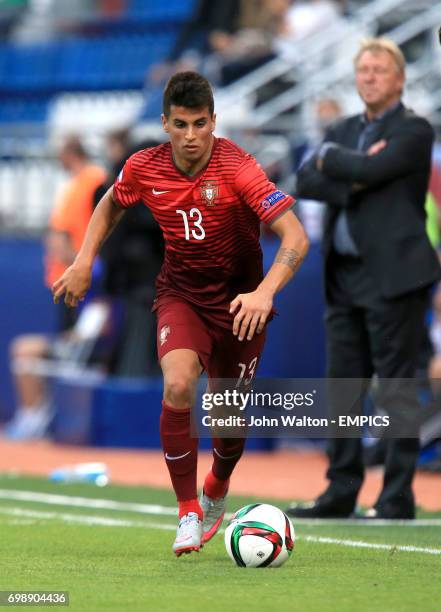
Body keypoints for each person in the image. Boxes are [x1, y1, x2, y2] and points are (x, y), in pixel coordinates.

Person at [52, 71, 309, 555]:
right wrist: (84, 259)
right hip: (182, 295)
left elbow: (295, 236)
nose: (192, 136)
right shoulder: (145, 166)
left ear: (214, 121)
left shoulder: (239, 169)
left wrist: (265, 292)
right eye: (181, 125)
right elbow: (111, 202)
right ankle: (188, 509)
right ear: (166, 123)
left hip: (240, 305)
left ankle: (217, 487)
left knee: (226, 417)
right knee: (176, 385)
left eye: (200, 124)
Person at [286, 38, 441, 520]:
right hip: (345, 274)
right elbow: (304, 181)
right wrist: (356, 171)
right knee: (344, 387)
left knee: (394, 385)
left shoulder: (415, 129)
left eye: (379, 69)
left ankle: (396, 496)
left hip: (394, 275)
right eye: (364, 69)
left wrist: (336, 162)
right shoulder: (343, 128)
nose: (370, 77)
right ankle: (340, 489)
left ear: (399, 79)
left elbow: (372, 167)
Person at [6, 136, 106, 440]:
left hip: (80, 313)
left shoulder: (87, 184)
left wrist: (76, 260)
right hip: (73, 302)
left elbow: (66, 235)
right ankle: (35, 415)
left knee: (27, 350)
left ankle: (34, 417)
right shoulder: (83, 183)